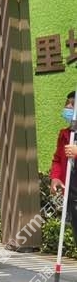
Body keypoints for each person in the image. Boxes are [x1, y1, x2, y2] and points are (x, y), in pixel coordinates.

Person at [50, 91, 77, 244]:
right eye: (67, 104)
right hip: (72, 195)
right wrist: (55, 177)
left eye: (73, 104)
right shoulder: (65, 135)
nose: (68, 107)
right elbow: (58, 159)